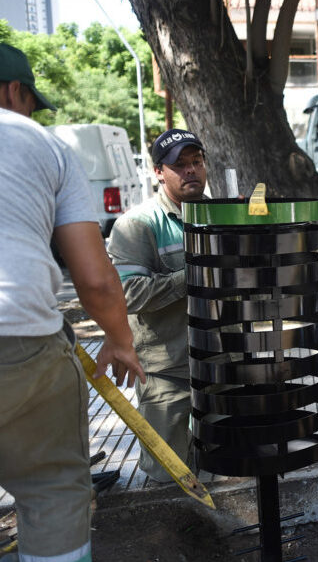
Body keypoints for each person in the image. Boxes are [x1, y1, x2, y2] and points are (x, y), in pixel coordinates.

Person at [0, 43, 144, 562]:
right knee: (53, 488)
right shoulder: (42, 144)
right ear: (15, 91)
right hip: (18, 339)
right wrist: (121, 340)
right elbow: (96, 279)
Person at [107, 129, 207, 482]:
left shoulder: (222, 216)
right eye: (179, 164)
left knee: (228, 466)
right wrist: (197, 274)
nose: (191, 170)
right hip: (167, 374)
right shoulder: (136, 225)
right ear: (159, 172)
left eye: (196, 161)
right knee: (168, 477)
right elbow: (128, 294)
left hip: (222, 367)